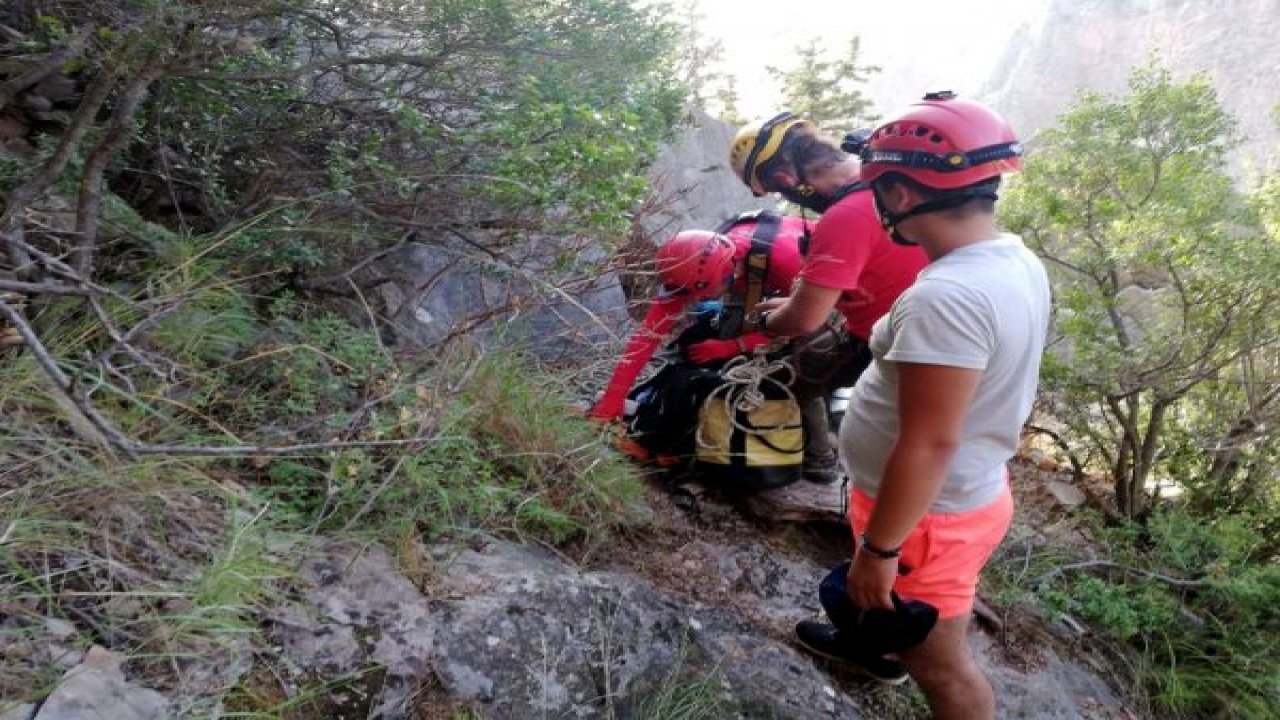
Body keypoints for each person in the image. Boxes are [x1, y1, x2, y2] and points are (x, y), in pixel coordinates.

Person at [793, 92, 1050, 720]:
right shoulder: (1012, 260)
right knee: (890, 611)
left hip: (924, 520)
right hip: (941, 500)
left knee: (943, 669)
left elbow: (929, 442)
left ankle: (894, 647)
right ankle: (871, 647)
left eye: (877, 188)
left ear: (901, 194)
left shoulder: (949, 296)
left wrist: (880, 551)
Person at [727, 112, 930, 455]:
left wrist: (766, 322)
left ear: (785, 178)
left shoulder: (845, 216)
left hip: (888, 346)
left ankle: (815, 460)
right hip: (918, 329)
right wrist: (801, 303)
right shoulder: (886, 182)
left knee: (776, 382)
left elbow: (803, 320)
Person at [588, 215, 842, 483]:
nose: (694, 300)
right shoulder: (693, 262)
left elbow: (809, 320)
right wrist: (612, 399)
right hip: (757, 275)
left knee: (800, 367)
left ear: (729, 275)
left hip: (827, 295)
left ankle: (820, 455)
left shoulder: (788, 262)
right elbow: (647, 336)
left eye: (701, 294)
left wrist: (733, 346)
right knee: (715, 337)